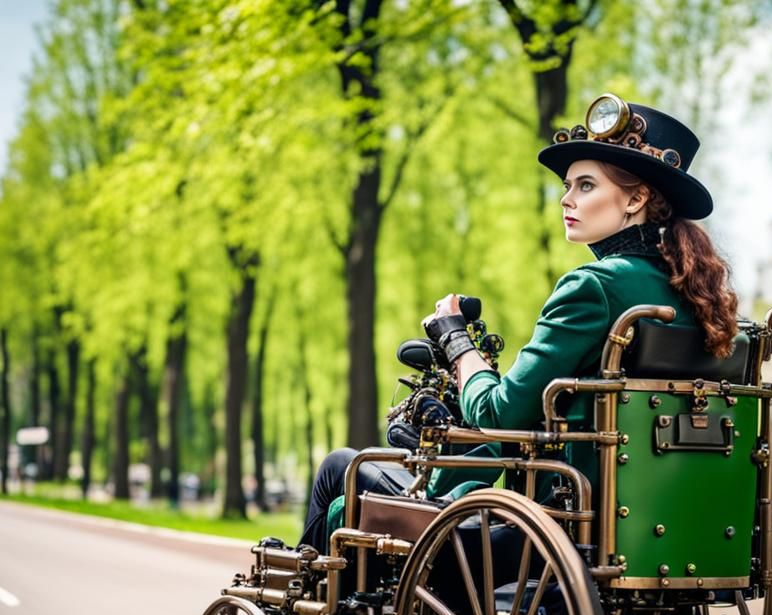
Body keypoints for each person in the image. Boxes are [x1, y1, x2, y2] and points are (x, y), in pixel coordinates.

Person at [299, 93, 738, 549]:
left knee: (340, 470)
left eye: (585, 186)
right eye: (568, 186)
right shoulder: (700, 301)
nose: (566, 199)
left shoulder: (594, 287)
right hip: (660, 532)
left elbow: (499, 413)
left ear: (637, 198)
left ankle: (304, 613)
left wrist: (457, 343)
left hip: (552, 526)